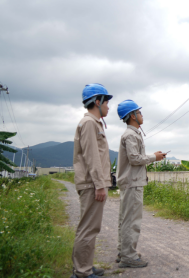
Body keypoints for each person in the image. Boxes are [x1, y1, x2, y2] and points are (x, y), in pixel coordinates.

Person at [116, 100, 166, 268]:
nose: (141, 115)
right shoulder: (130, 135)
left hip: (131, 182)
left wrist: (153, 156)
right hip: (133, 183)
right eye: (139, 112)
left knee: (125, 218)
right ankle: (128, 256)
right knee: (132, 220)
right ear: (132, 116)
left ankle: (123, 251)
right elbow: (135, 159)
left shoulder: (133, 134)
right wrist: (154, 157)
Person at [71, 84, 113, 278]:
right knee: (88, 228)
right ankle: (82, 272)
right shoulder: (89, 123)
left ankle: (85, 266)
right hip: (91, 183)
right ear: (98, 101)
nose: (108, 107)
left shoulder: (93, 123)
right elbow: (92, 156)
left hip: (91, 182)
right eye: (107, 101)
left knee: (91, 227)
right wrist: (100, 184)